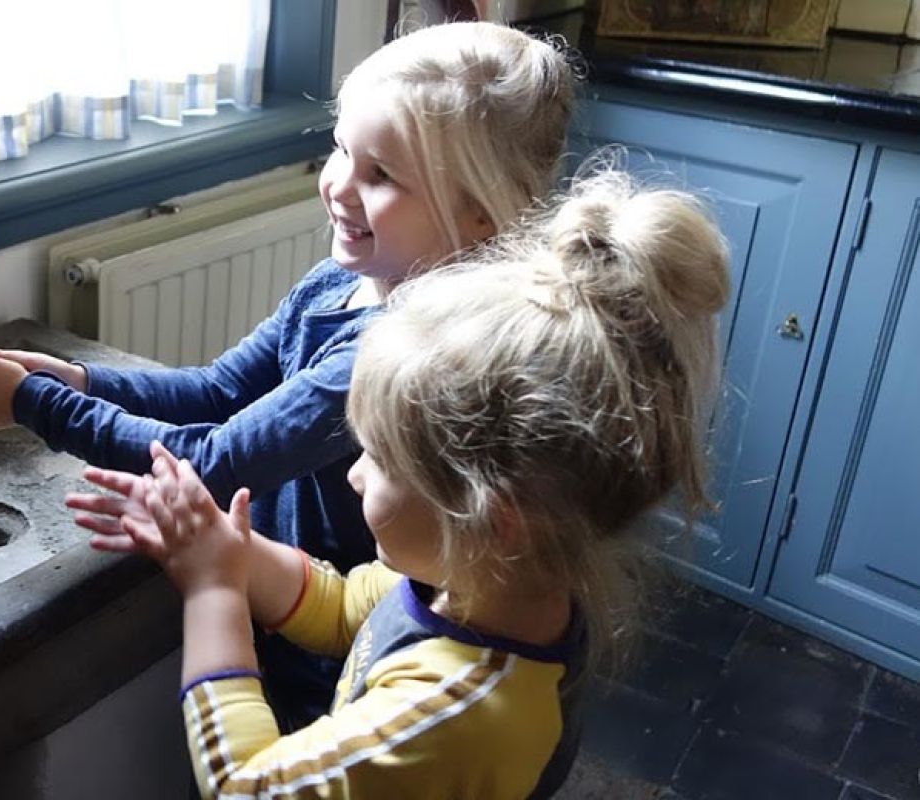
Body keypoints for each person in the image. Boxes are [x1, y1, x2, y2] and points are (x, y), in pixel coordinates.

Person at [0, 21, 577, 729]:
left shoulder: (397, 352)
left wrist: (36, 405)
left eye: (381, 176)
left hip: (335, 650)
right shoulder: (337, 286)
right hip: (285, 595)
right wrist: (79, 381)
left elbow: (212, 462)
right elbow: (218, 391)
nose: (340, 184)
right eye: (340, 149)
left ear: (479, 212)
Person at [71, 171, 731, 798]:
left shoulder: (457, 712)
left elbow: (247, 788)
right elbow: (348, 607)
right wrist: (233, 552)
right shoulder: (482, 581)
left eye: (379, 458)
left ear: (489, 514)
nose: (355, 473)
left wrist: (212, 591)